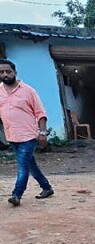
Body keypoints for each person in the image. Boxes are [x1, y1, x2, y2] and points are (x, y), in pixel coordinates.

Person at [0, 59, 54, 207]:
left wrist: (42, 133)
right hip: (11, 136)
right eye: (1, 72)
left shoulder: (28, 90)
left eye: (8, 71)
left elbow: (40, 113)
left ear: (15, 73)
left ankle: (16, 194)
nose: (5, 74)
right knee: (31, 165)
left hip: (28, 136)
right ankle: (47, 188)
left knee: (22, 166)